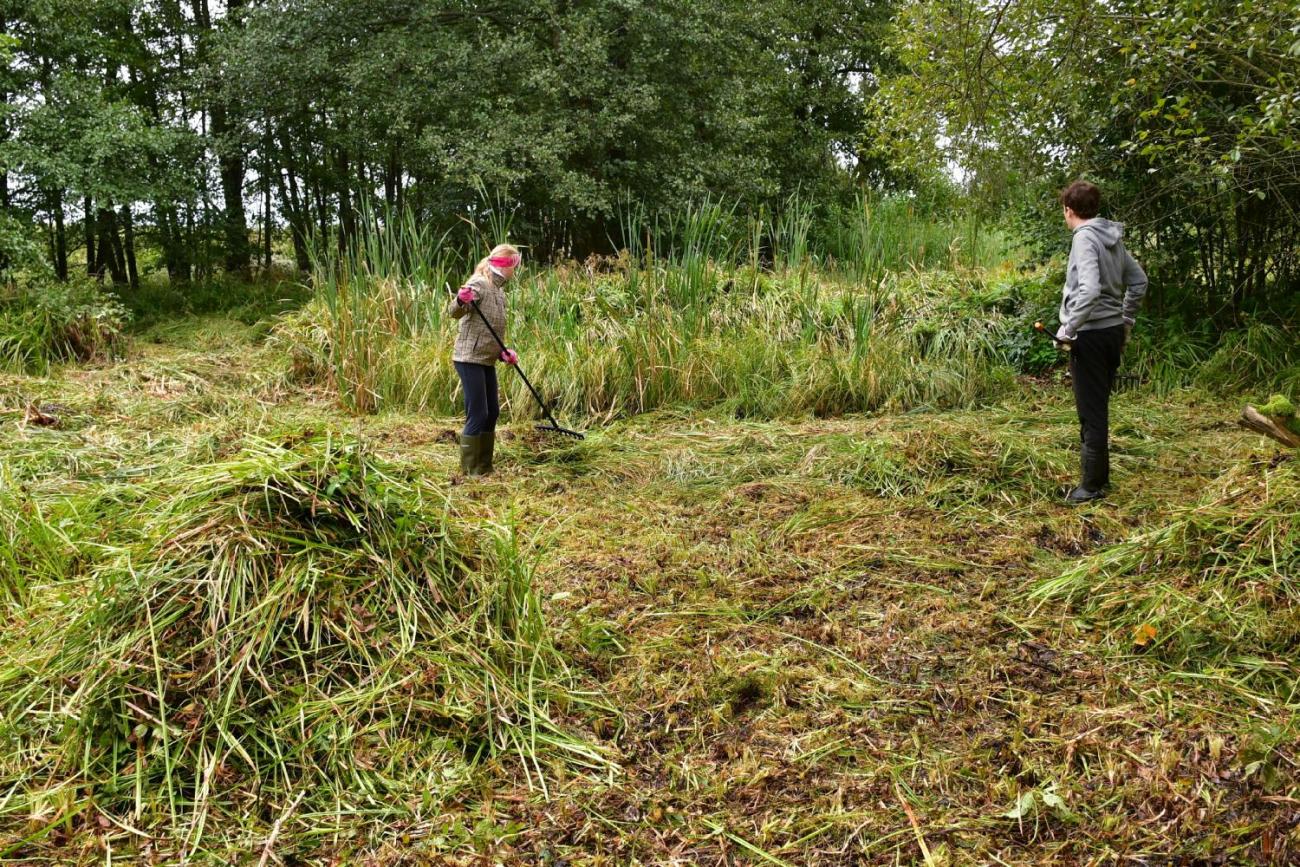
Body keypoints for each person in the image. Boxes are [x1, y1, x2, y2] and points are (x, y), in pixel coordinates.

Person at [1054, 180, 1148, 503]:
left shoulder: (1084, 238)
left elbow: (1090, 290)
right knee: (1099, 407)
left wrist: (1069, 328)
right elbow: (1139, 282)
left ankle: (1090, 488)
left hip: (1091, 337)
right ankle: (1099, 479)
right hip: (1110, 335)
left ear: (1069, 210)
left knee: (1091, 412)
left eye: (1063, 211)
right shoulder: (1112, 238)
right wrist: (1125, 322)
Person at [449, 243, 522, 476]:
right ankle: (470, 470)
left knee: (492, 413)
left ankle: (484, 466)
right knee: (478, 413)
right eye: (515, 265)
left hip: (486, 359)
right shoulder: (479, 283)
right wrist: (461, 300)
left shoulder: (499, 292)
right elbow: (454, 311)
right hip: (469, 358)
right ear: (507, 265)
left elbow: (490, 329)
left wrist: (502, 352)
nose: (516, 270)